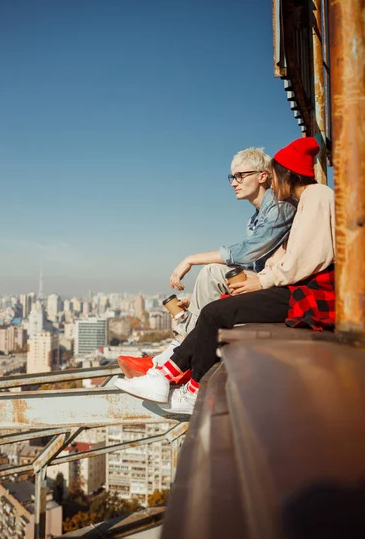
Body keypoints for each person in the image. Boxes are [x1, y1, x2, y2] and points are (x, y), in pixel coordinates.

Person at [115, 137, 335, 414]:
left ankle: (185, 384)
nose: (274, 185)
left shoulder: (313, 198)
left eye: (275, 175)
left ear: (282, 173)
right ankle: (165, 373)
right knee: (215, 307)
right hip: (299, 287)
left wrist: (263, 281)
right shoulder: (306, 200)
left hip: (309, 292)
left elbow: (303, 259)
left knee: (215, 312)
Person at [117, 147, 296, 378]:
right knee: (211, 276)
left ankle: (173, 360)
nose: (234, 183)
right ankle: (172, 355)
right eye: (233, 177)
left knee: (212, 271)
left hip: (282, 289)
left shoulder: (280, 207)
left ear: (263, 176)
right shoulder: (257, 216)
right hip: (265, 279)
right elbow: (254, 264)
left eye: (241, 175)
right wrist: (196, 299)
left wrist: (191, 259)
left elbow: (250, 252)